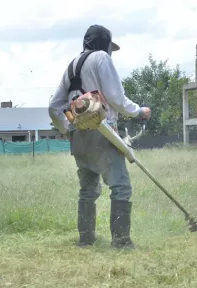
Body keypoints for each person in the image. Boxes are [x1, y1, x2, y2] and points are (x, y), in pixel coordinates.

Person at [48, 24, 151, 249]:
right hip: (102, 131)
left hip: (78, 135)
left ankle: (86, 239)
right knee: (121, 186)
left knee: (88, 189)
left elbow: (53, 107)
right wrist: (138, 111)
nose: (110, 52)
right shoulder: (102, 58)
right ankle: (121, 242)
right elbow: (115, 97)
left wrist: (67, 130)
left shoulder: (71, 67)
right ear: (104, 44)